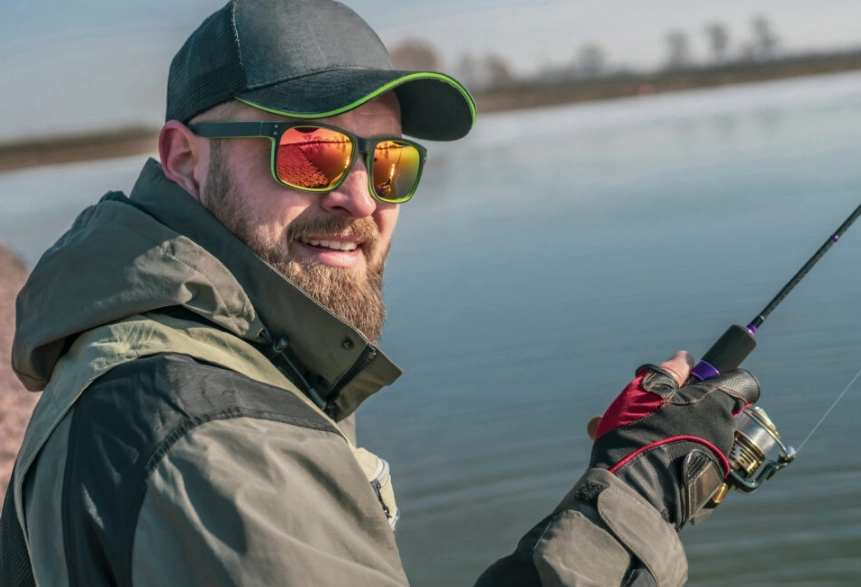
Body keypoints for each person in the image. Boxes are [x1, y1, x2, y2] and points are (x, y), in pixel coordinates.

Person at [0, 1, 761, 585]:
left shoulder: (139, 349)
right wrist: (633, 504)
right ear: (184, 159)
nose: (362, 198)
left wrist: (622, 479)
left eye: (389, 159)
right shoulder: (215, 438)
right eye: (311, 151)